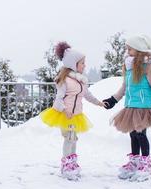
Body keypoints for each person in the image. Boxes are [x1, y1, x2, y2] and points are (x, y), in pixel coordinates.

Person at [40, 42, 105, 181]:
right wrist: (64, 110)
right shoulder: (65, 80)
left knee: (73, 139)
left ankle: (72, 163)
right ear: (73, 64)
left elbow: (87, 95)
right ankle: (66, 164)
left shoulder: (81, 80)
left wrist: (98, 102)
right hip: (66, 115)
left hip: (76, 115)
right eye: (82, 63)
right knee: (69, 139)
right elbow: (58, 100)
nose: (84, 65)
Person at [103, 35, 151, 182]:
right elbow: (124, 88)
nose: (127, 51)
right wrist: (113, 100)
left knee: (141, 134)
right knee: (133, 135)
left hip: (143, 107)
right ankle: (135, 161)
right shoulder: (130, 68)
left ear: (138, 50)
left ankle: (146, 163)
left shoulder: (148, 66)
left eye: (130, 48)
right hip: (130, 106)